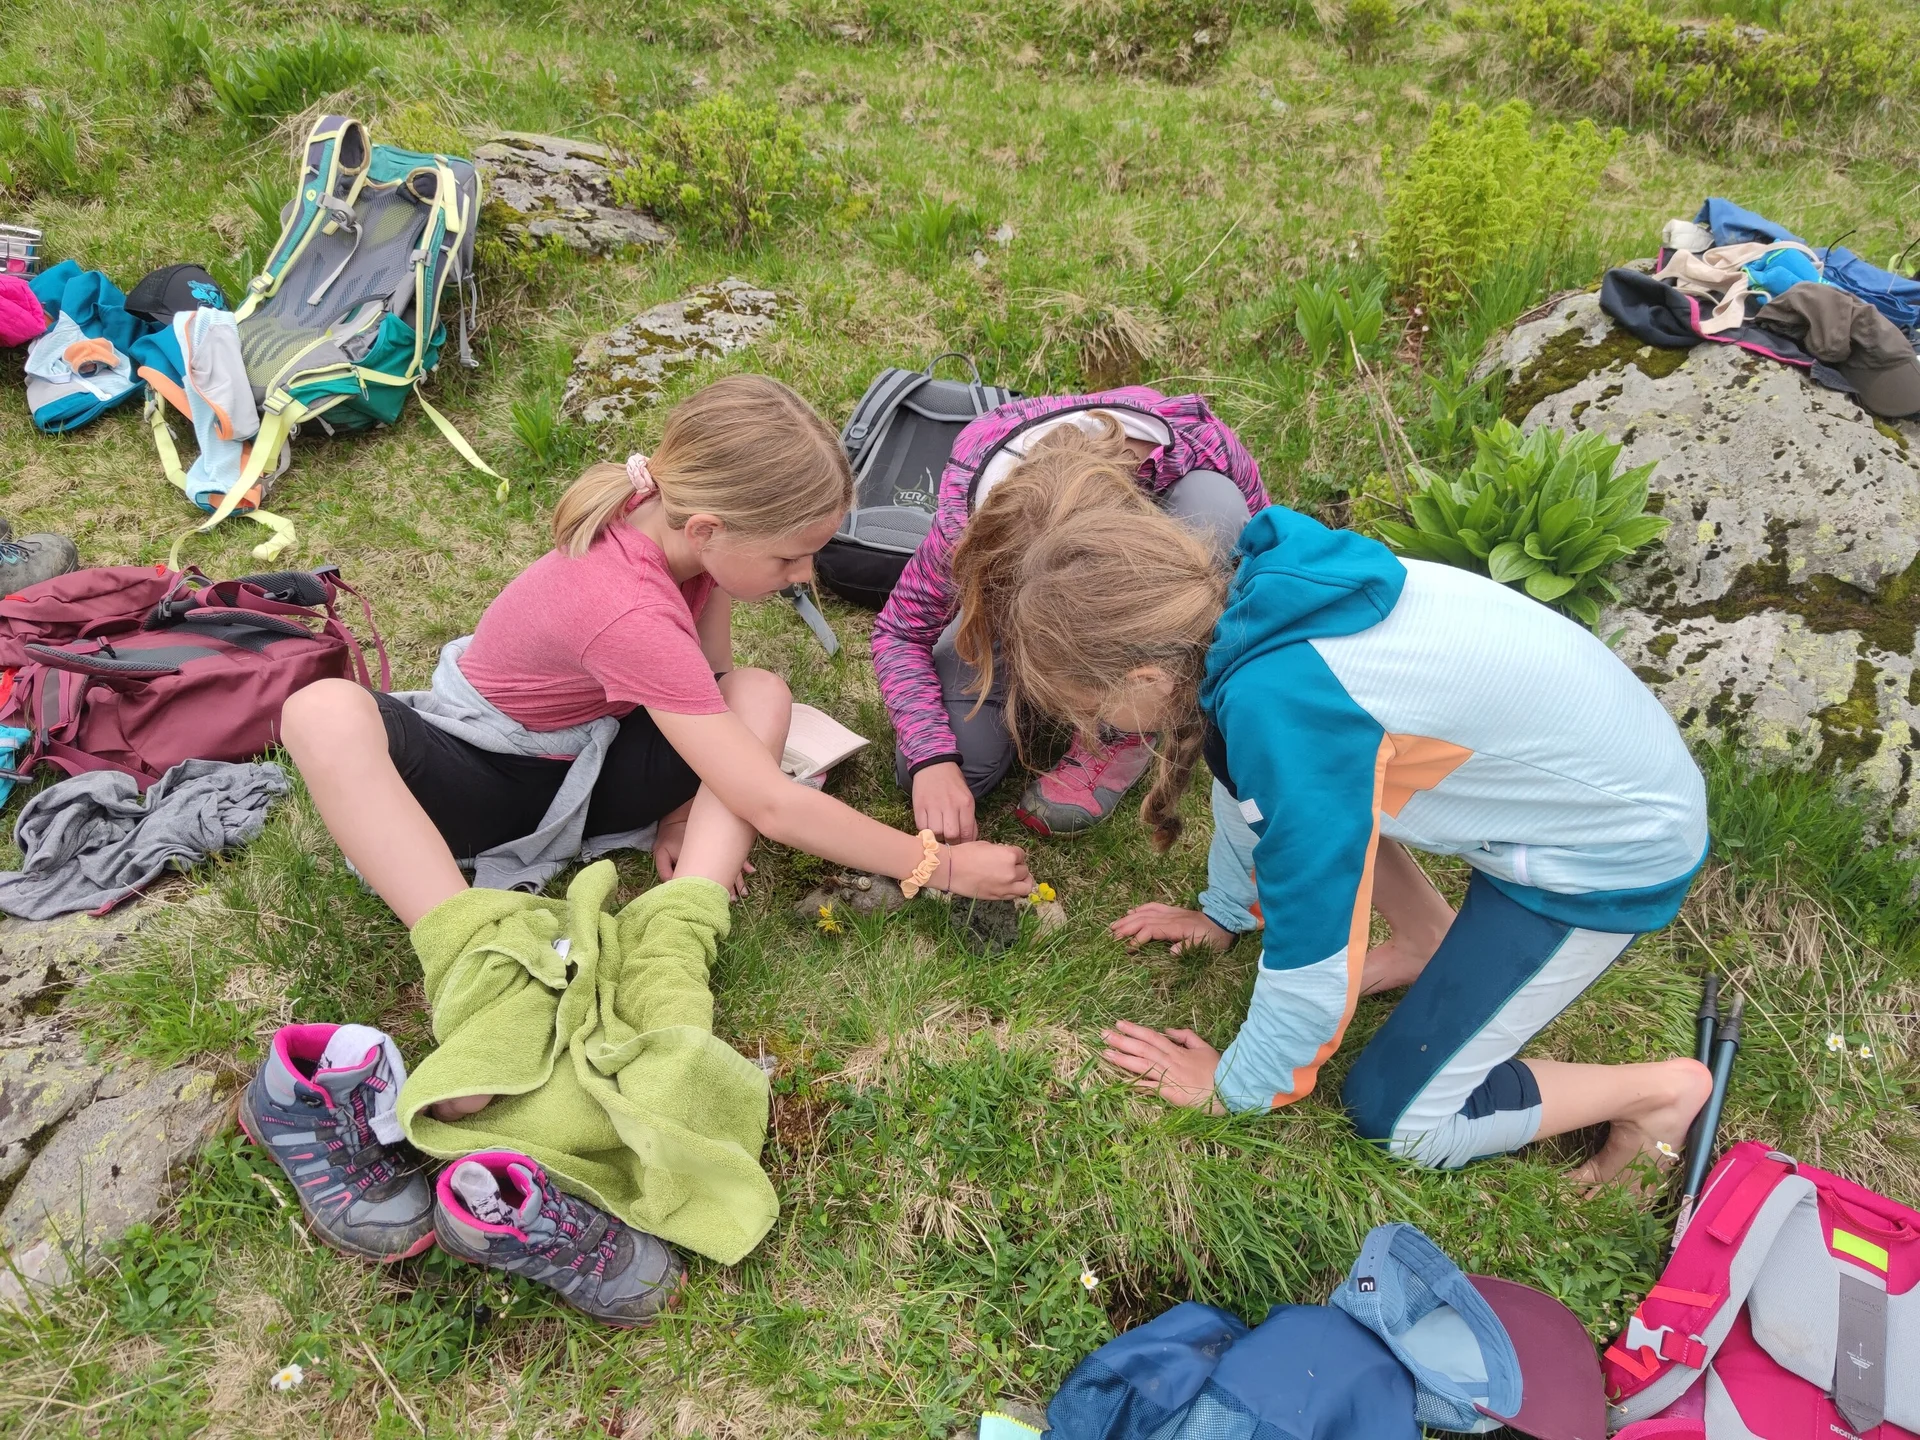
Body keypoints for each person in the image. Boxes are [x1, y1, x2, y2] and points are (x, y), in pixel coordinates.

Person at [955, 452, 1713, 1184]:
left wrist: (1236, 1088)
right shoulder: (1251, 594)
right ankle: (1427, 943)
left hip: (1606, 860)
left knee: (1398, 1119)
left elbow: (1314, 952)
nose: (1097, 733)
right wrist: (1225, 913)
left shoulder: (1286, 715)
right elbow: (1242, 784)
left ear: (1147, 676)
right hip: (1582, 777)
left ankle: (1657, 1092)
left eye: (1094, 713)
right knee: (1312, 797)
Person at [283, 372, 1031, 938]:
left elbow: (707, 688)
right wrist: (942, 866)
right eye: (790, 559)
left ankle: (678, 927)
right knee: (321, 711)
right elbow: (769, 802)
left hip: (582, 762)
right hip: (483, 781)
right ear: (708, 528)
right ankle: (468, 950)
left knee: (761, 692)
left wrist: (679, 811)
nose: (805, 577)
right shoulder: (627, 605)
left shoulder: (686, 541)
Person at [872, 388, 1265, 842]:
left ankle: (1127, 727)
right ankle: (1065, 682)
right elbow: (899, 632)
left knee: (1215, 504)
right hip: (1015, 619)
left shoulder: (1202, 446)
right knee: (953, 764)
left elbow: (1256, 573)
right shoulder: (970, 523)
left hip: (1137, 611)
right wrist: (932, 758)